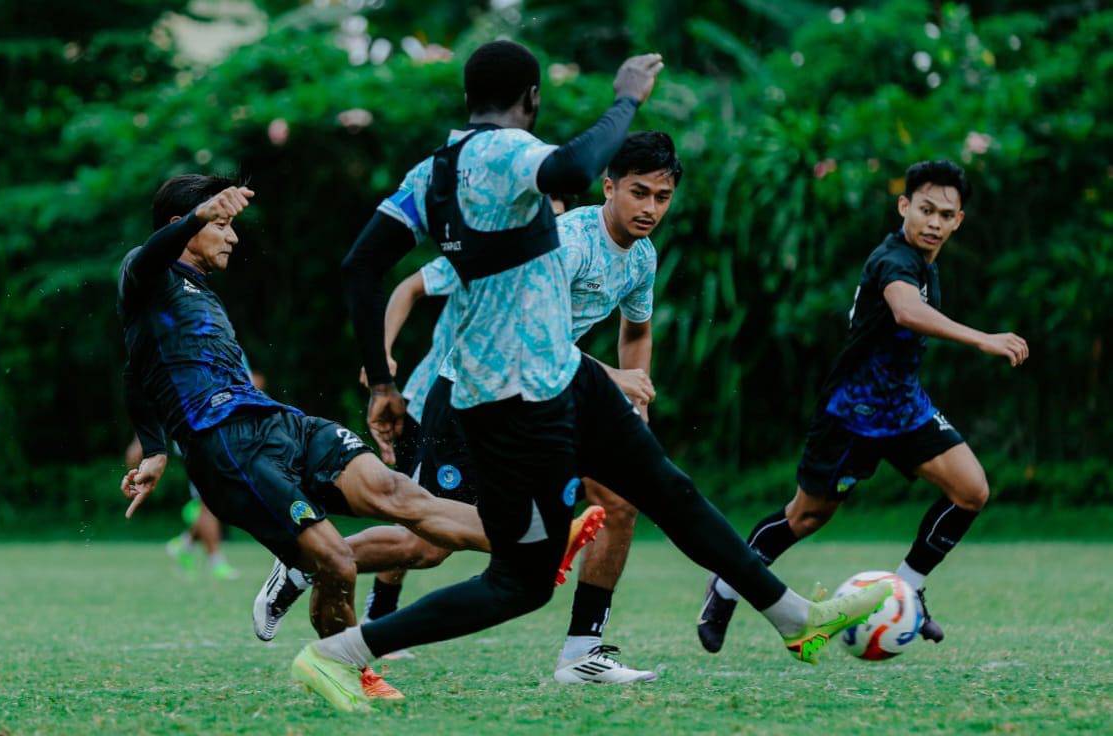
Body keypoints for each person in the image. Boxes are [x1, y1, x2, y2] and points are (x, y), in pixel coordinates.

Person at [294, 40, 891, 713]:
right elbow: (574, 167)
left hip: (552, 377)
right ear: (532, 99)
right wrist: (627, 96)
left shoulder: (429, 174)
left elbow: (359, 266)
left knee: (664, 488)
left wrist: (380, 380)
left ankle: (795, 621)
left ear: (468, 96)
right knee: (518, 582)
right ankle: (335, 654)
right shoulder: (510, 151)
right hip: (519, 398)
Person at [257, 132, 681, 684]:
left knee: (620, 499)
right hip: (473, 390)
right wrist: (614, 379)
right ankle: (307, 560)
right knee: (426, 545)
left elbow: (637, 330)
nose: (649, 208)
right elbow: (537, 330)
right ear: (608, 187)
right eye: (638, 193)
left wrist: (635, 405)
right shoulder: (571, 242)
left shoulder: (641, 258)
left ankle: (583, 652)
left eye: (662, 197)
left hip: (547, 393)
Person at [116, 175, 517, 707]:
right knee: (337, 562)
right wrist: (161, 448)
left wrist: (154, 447)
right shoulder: (144, 272)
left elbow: (136, 368)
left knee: (398, 494)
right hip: (227, 448)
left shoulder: (194, 294)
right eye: (221, 224)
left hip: (279, 423)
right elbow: (146, 289)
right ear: (180, 227)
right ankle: (343, 664)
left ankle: (529, 541)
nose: (232, 236)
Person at [696, 160, 1029, 654]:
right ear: (904, 207)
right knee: (806, 517)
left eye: (946, 214)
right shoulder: (892, 259)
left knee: (971, 491)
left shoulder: (928, 262)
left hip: (905, 409)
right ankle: (724, 590)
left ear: (959, 220)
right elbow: (906, 311)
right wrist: (981, 339)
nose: (934, 222)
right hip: (851, 414)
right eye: (925, 209)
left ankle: (908, 589)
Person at [124, 435, 240, 580]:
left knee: (217, 500)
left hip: (219, 435)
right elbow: (158, 411)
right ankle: (216, 562)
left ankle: (184, 543)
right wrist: (140, 440)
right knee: (207, 502)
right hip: (196, 437)